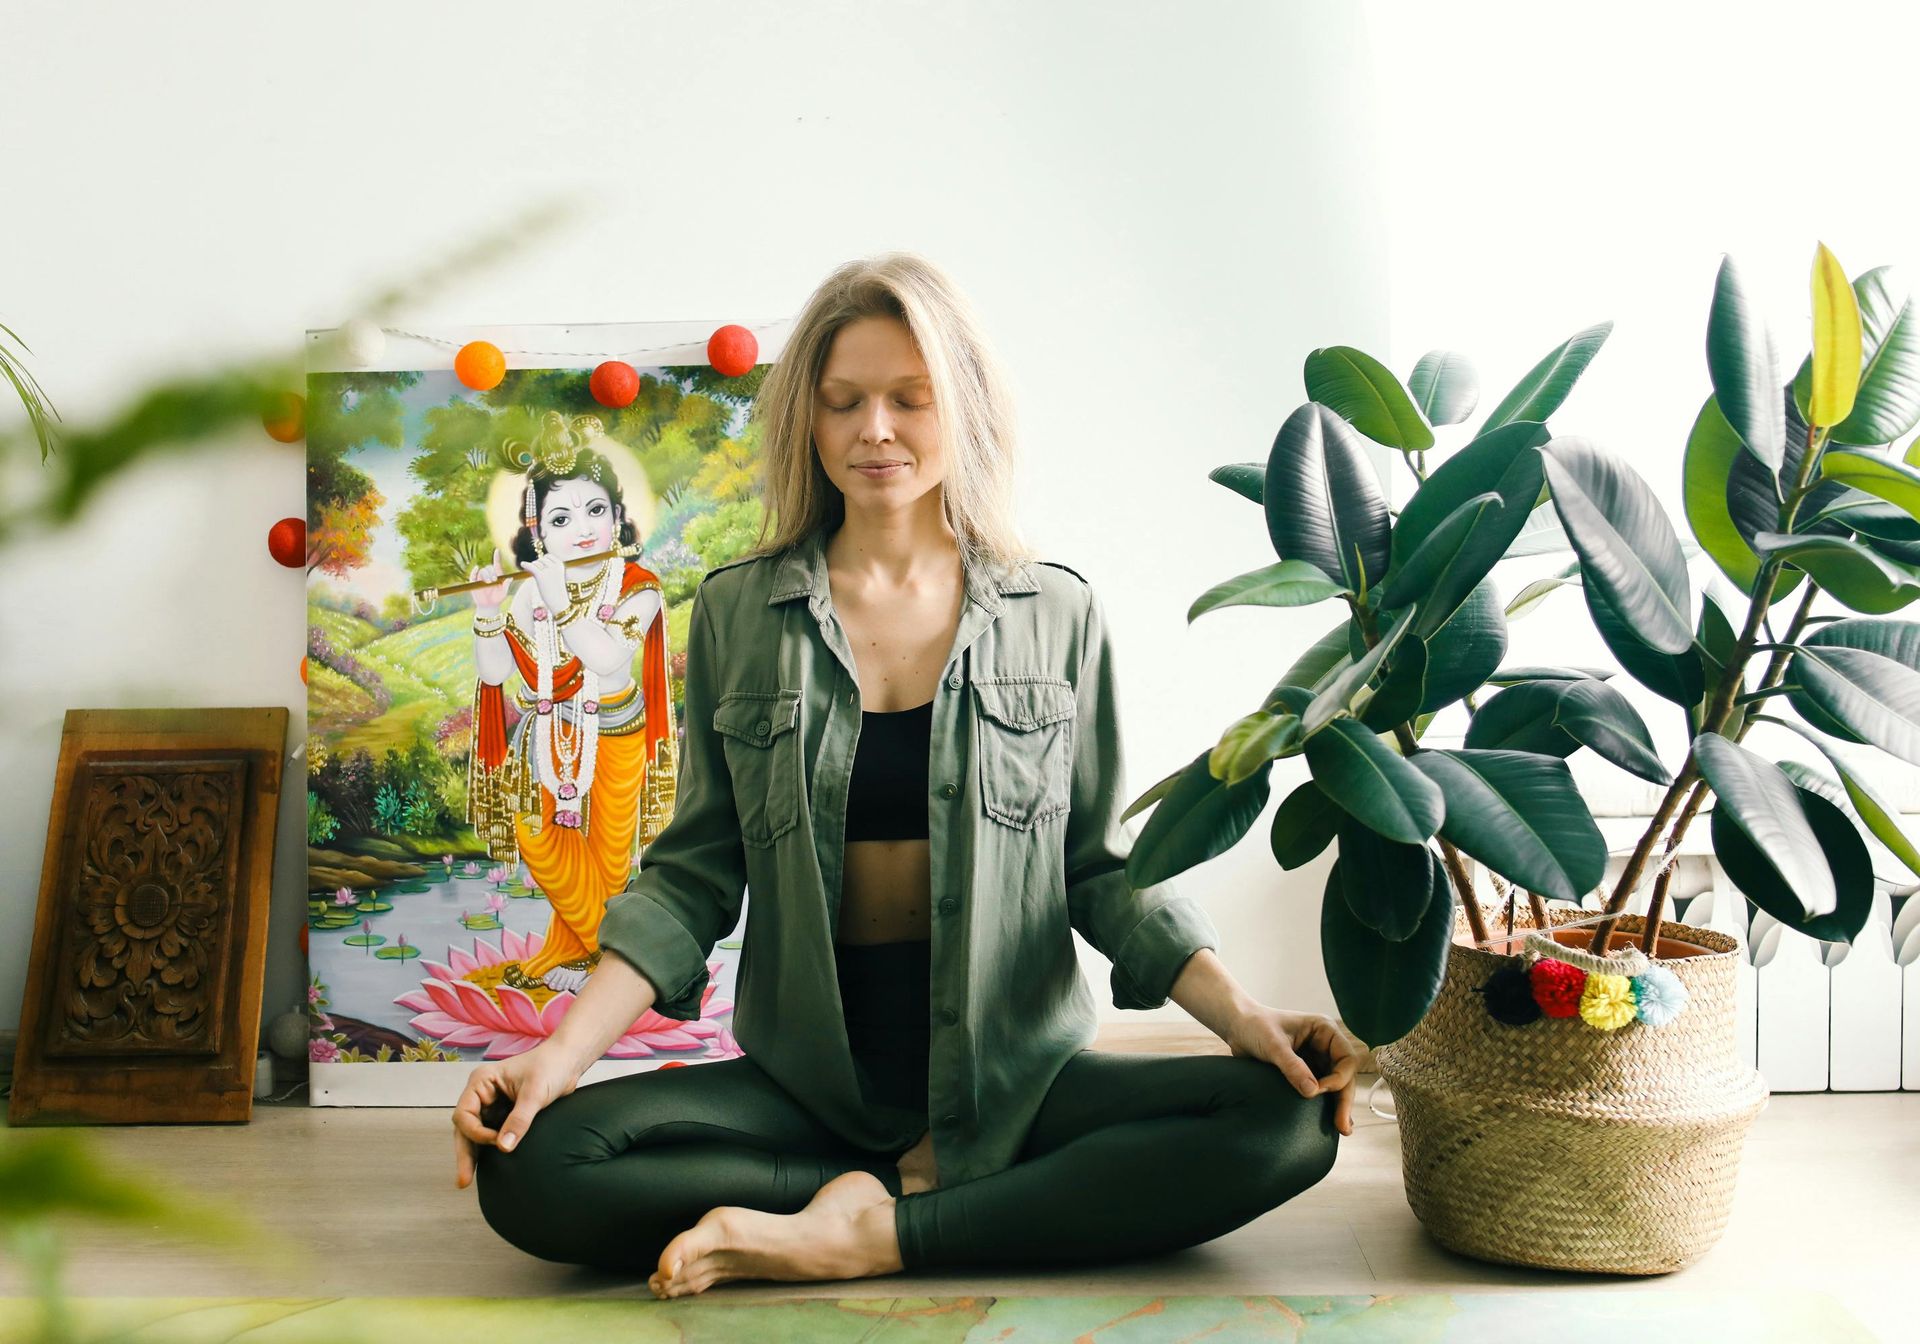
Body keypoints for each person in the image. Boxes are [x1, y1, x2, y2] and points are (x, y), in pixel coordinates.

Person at [453, 253, 1355, 1298]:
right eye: (843, 402)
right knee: (531, 1169)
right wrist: (557, 1059)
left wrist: (1244, 1018)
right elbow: (693, 876)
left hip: (1016, 1080)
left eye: (908, 399)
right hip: (809, 1090)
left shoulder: (1055, 612)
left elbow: (1104, 868)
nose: (874, 429)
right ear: (809, 420)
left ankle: (872, 1234)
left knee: (1286, 1122)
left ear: (961, 406)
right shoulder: (742, 612)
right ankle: (910, 1196)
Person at [464, 413, 675, 993]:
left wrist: (560, 603)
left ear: (618, 516)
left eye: (595, 510)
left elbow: (605, 658)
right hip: (546, 737)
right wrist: (487, 611)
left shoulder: (638, 586)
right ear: (538, 533)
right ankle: (616, 962)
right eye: (561, 518)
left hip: (617, 733)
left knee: (608, 861)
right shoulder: (529, 590)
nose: (582, 529)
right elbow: (496, 673)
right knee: (539, 839)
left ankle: (579, 961)